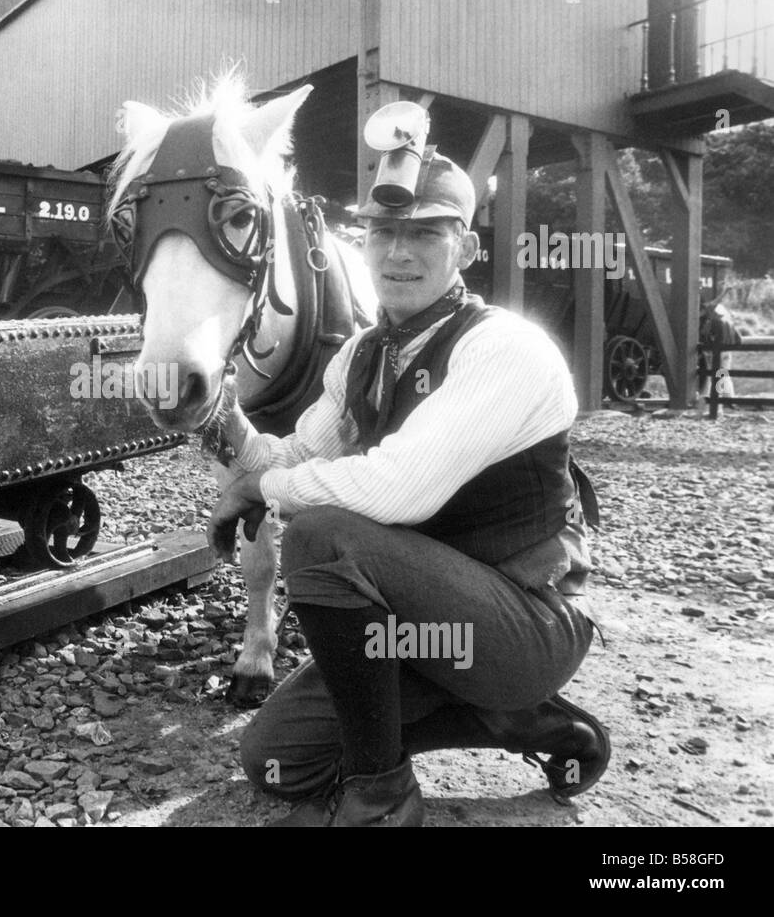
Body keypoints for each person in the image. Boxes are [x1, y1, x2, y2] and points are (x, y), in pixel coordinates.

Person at [206, 148, 610, 827]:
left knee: (325, 538)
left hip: (521, 625)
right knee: (276, 758)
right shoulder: (365, 352)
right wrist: (218, 415)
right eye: (382, 233)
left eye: (424, 232)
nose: (397, 252)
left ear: (467, 246)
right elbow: (299, 450)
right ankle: (516, 718)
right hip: (422, 630)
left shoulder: (506, 347)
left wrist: (264, 486)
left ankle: (383, 795)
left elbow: (398, 490)